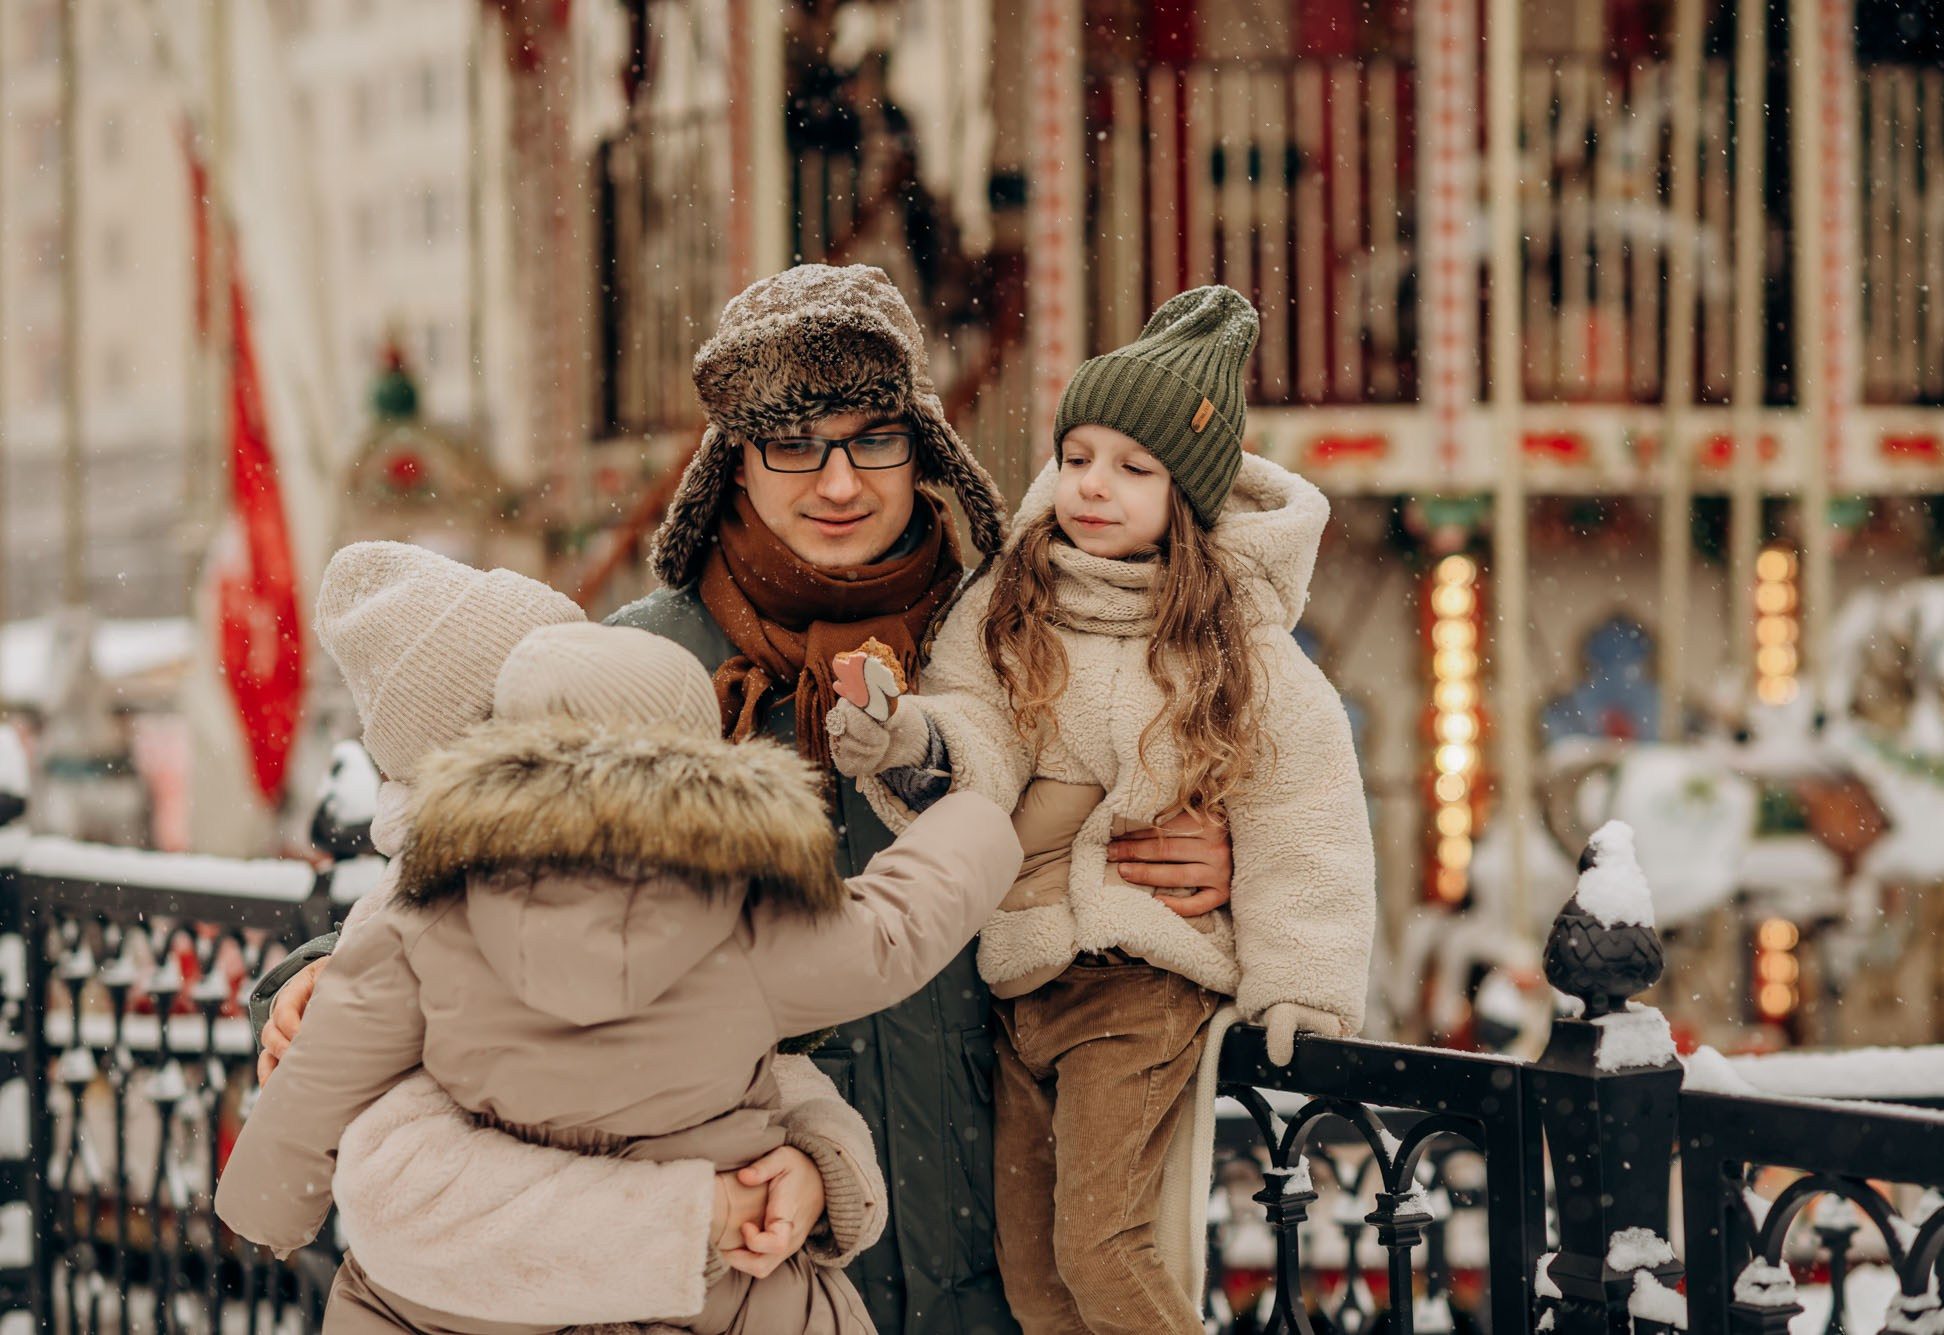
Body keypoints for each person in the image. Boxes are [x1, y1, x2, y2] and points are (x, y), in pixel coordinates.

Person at [255, 264, 1235, 1335]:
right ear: (735, 456)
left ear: (922, 446)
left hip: (996, 1235)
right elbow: (473, 885)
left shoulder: (1019, 643)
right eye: (793, 443)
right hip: (746, 1254)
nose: (838, 482)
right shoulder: (632, 666)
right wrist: (320, 979)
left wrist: (1221, 855)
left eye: (872, 437)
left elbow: (1175, 770)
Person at [220, 614, 1025, 1334]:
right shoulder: (755, 916)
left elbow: (327, 1071)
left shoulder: (427, 913)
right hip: (718, 1297)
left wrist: (269, 1200)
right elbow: (898, 926)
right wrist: (977, 817)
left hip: (479, 1309)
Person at [827, 286, 1376, 1335]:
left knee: (1101, 1244)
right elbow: (978, 726)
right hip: (1024, 974)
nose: (1092, 486)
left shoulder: (1235, 648)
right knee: (1034, 1276)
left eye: (1133, 469)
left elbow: (1299, 813)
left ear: (1187, 493)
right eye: (1077, 456)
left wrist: (1299, 978)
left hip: (1139, 980)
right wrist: (906, 741)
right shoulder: (1012, 601)